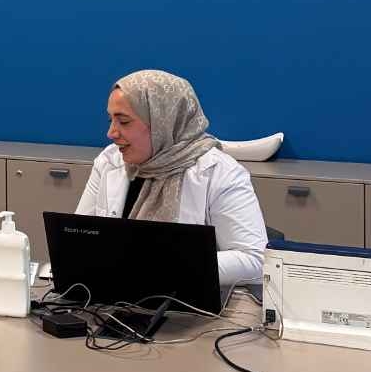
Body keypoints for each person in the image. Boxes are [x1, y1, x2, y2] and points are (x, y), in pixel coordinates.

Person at [74, 68, 267, 290]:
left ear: (163, 123)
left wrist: (164, 264)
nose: (111, 133)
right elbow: (78, 238)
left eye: (124, 122)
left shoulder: (220, 172)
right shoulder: (109, 161)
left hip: (189, 301)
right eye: (111, 120)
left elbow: (255, 260)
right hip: (111, 295)